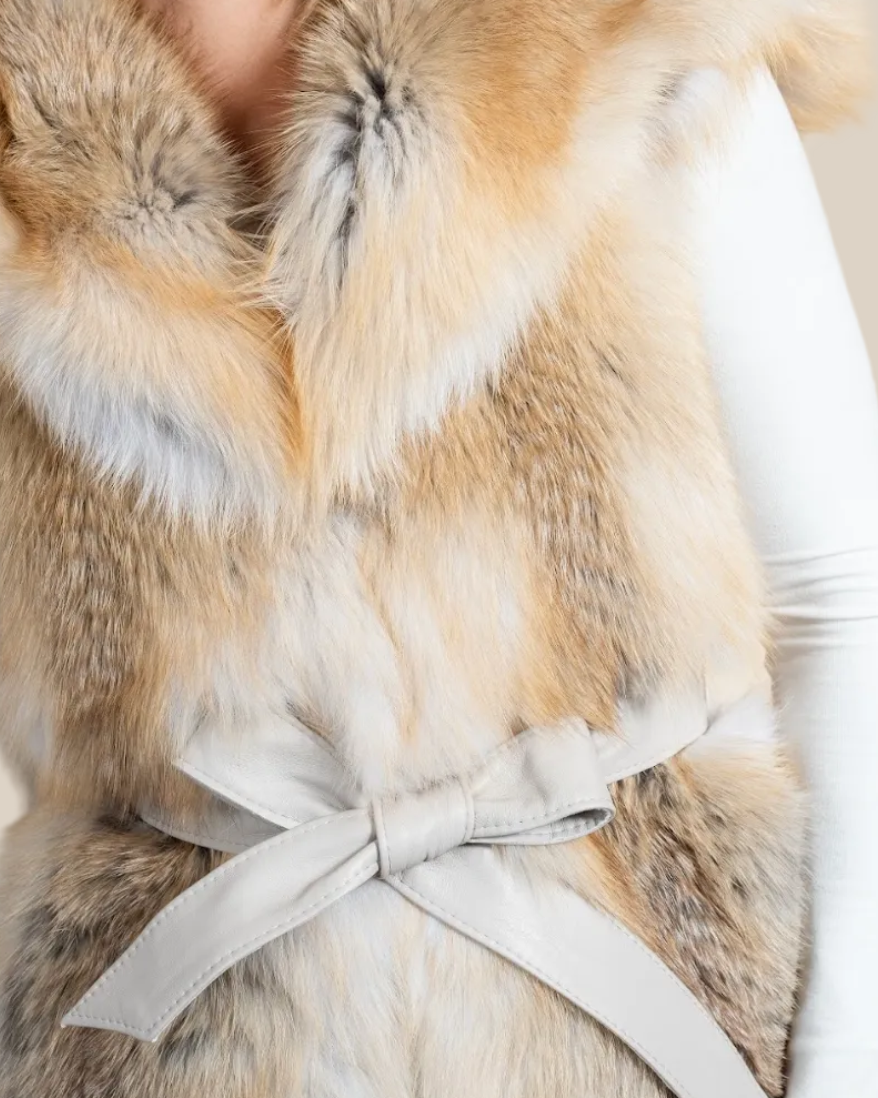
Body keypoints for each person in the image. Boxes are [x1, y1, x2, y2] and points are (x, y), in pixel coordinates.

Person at [29, 0, 878, 1093]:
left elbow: (841, 604)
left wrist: (846, 1062)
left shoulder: (622, 33)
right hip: (148, 1046)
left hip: (643, 1019)